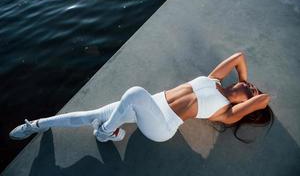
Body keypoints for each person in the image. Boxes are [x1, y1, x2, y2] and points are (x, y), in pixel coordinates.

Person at [9, 52, 273, 143]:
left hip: (162, 126)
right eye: (251, 86)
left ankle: (106, 133)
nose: (251, 88)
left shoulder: (227, 112)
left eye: (252, 93)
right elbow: (239, 56)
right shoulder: (215, 79)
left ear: (246, 106)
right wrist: (244, 81)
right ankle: (37, 124)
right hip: (148, 105)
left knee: (134, 93)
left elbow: (265, 98)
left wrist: (255, 97)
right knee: (91, 115)